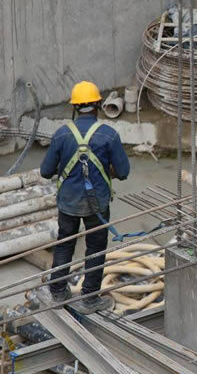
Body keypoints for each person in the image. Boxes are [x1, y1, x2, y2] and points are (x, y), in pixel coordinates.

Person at [40, 81, 130, 314]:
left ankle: (58, 291)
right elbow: (123, 172)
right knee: (96, 248)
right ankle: (90, 298)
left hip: (68, 203)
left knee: (64, 245)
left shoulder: (61, 134)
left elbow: (45, 171)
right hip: (96, 205)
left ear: (75, 108)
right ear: (98, 105)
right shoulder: (108, 135)